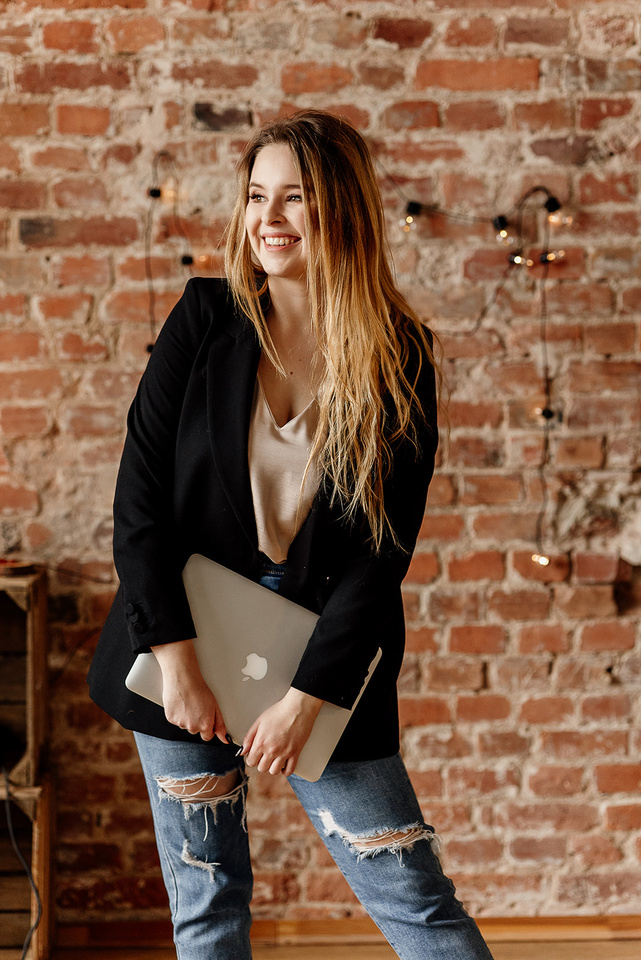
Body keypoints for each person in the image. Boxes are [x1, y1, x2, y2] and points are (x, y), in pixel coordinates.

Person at [88, 110, 494, 960]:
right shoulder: (202, 320)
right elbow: (139, 508)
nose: (268, 218)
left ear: (342, 209)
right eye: (255, 196)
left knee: (415, 901)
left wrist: (305, 701)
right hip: (182, 649)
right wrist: (177, 668)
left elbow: (381, 557)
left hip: (325, 658)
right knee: (207, 906)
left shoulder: (400, 357)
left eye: (295, 198)